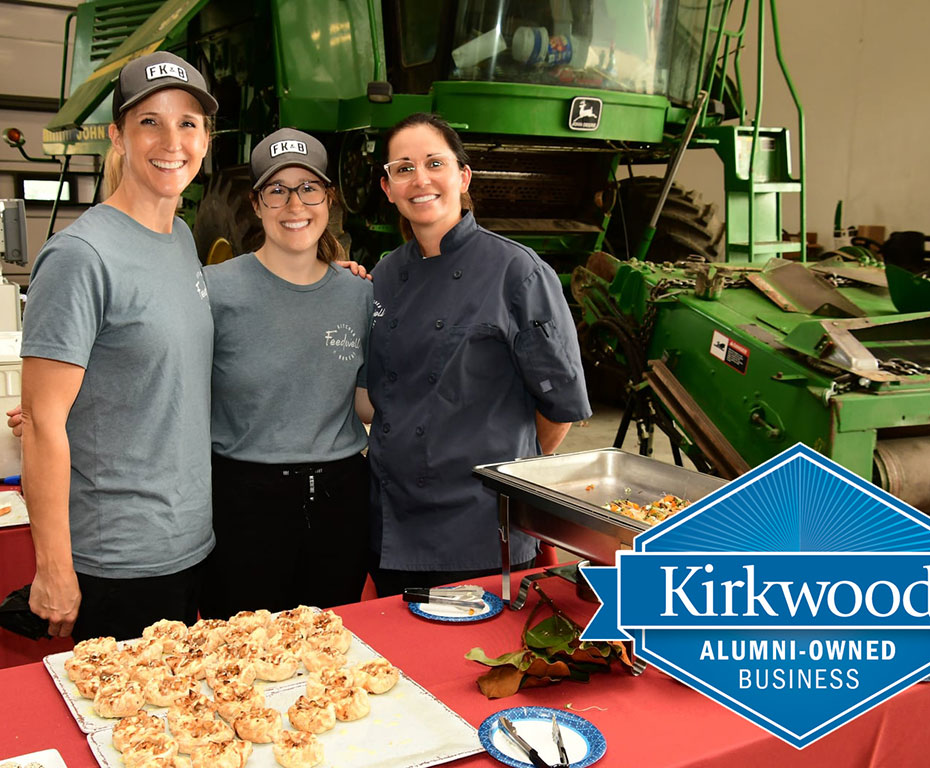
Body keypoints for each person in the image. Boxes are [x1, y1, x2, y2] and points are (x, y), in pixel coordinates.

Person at [19, 52, 218, 640]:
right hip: (117, 560)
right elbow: (42, 420)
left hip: (188, 544)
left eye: (188, 123)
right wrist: (54, 569)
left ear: (207, 138)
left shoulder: (181, 236)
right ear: (118, 136)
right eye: (149, 121)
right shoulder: (81, 255)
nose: (171, 140)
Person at [367, 112, 592, 596]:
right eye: (403, 168)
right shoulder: (384, 275)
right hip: (391, 521)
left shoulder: (518, 272)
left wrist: (505, 476)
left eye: (434, 163)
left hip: (479, 528)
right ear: (387, 187)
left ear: (463, 176)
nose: (420, 179)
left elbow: (557, 408)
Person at [198, 129, 374, 618]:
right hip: (242, 502)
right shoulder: (214, 290)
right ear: (256, 205)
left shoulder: (359, 294)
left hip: (340, 500)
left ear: (329, 199)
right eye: (276, 190)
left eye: (308, 188)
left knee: (329, 654)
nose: (293, 203)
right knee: (239, 655)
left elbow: (366, 401)